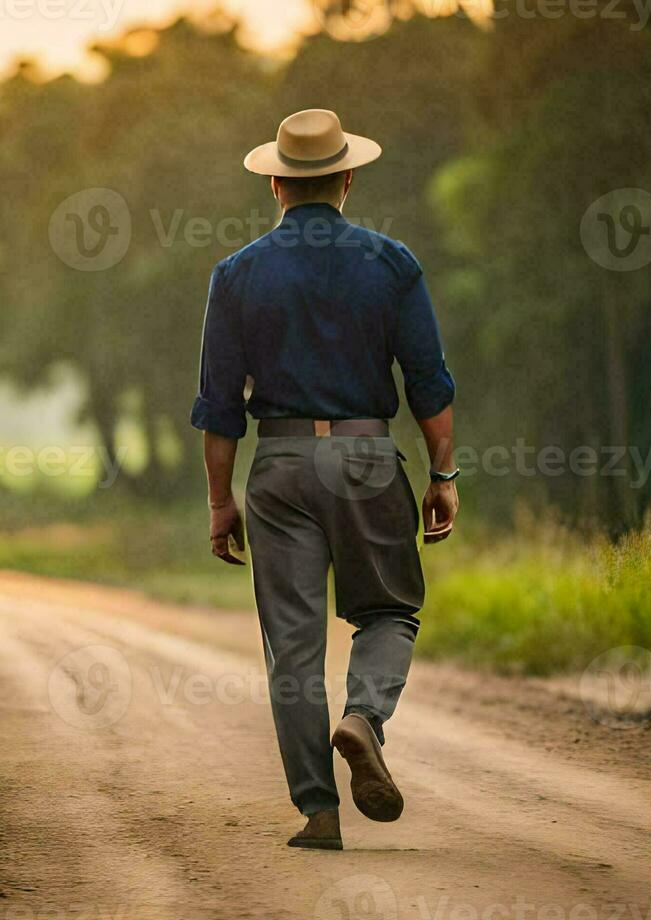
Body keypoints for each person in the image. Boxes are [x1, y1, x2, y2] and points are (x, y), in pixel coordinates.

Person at [190, 108, 459, 850]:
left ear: (276, 183)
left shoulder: (235, 275)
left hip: (277, 468)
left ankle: (318, 812)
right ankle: (364, 719)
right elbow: (428, 383)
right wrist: (444, 473)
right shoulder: (392, 263)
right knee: (391, 610)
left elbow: (218, 408)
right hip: (368, 458)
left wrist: (221, 503)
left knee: (293, 648)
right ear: (347, 176)